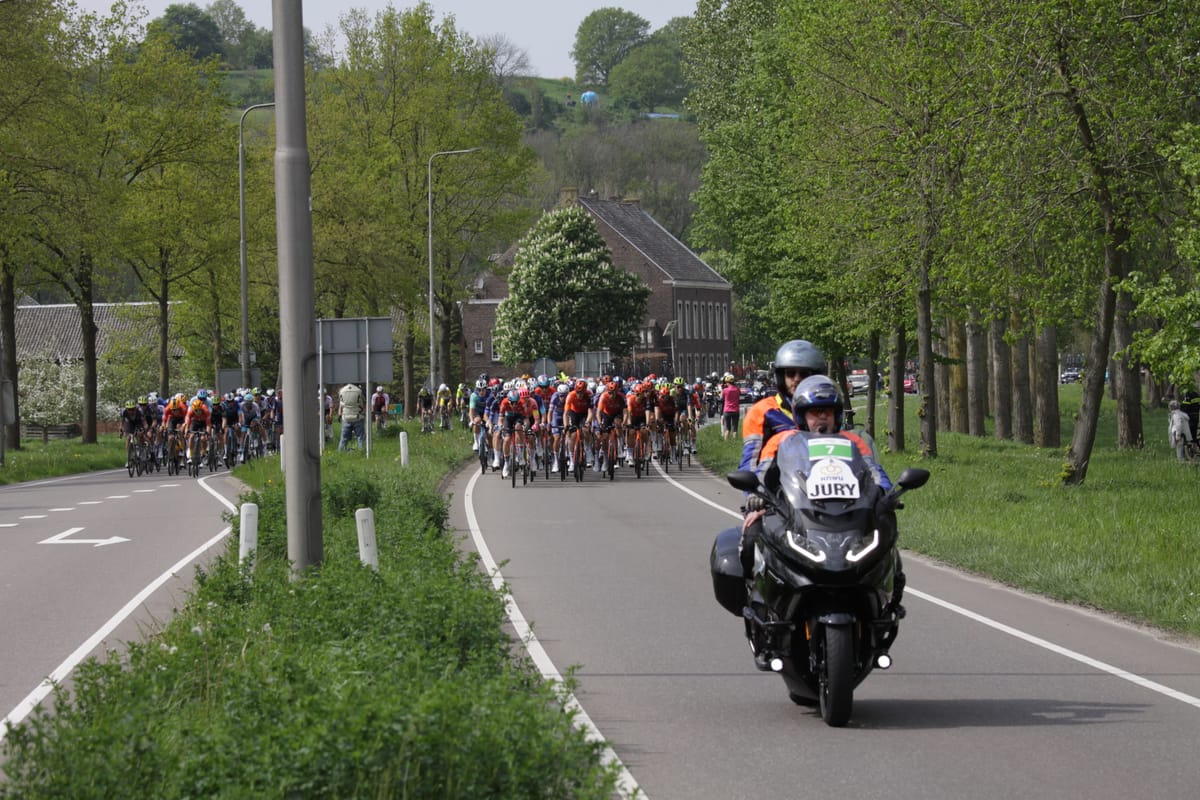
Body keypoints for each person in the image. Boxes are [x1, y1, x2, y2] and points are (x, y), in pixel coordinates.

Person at [747, 376, 904, 615]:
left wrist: (887, 494)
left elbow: (875, 472)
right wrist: (756, 495)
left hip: (849, 516)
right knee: (751, 535)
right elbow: (763, 472)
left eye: (828, 412)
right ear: (801, 416)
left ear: (837, 415)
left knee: (888, 540)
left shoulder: (855, 441)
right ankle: (758, 605)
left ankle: (888, 604)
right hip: (796, 515)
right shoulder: (782, 441)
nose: (822, 417)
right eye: (815, 412)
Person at [739, 340, 825, 471]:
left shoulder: (827, 411)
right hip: (778, 487)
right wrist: (752, 487)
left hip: (826, 483)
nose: (797, 379)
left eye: (804, 374)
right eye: (791, 373)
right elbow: (750, 461)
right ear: (781, 377)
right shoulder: (762, 412)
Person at [338, 382, 365, 451]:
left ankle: (340, 452)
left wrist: (339, 414)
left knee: (344, 438)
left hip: (346, 417)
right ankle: (361, 451)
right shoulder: (359, 390)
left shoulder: (342, 390)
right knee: (360, 437)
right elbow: (362, 403)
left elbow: (341, 403)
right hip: (357, 417)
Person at [720, 373, 741, 440]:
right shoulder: (737, 389)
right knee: (735, 429)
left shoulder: (725, 390)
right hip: (736, 410)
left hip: (727, 411)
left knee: (727, 429)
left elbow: (721, 398)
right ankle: (734, 442)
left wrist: (722, 389)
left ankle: (726, 443)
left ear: (728, 382)